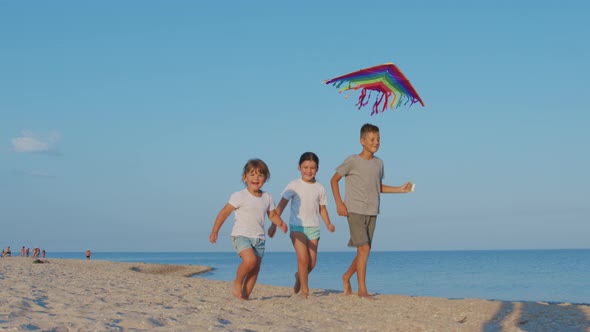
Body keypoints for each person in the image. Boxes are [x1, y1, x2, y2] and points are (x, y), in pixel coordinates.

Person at [330, 123, 412, 299]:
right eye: (372, 139)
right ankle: (362, 290)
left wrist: (399, 189)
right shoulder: (352, 161)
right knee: (365, 249)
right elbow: (334, 180)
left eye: (378, 139)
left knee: (363, 251)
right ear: (362, 141)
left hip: (373, 211)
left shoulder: (379, 163)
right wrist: (339, 203)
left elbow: (378, 186)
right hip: (354, 210)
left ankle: (346, 276)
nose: (376, 142)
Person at [210, 158, 288, 300]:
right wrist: (215, 231)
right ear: (244, 177)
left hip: (259, 238)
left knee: (255, 268)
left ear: (265, 178)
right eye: (252, 174)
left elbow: (272, 214)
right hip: (241, 235)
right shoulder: (239, 196)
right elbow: (224, 212)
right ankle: (237, 282)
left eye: (260, 174)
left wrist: (280, 223)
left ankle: (244, 297)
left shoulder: (267, 197)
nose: (256, 178)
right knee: (250, 261)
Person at [268, 152, 335, 298]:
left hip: (314, 227)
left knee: (311, 263)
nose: (308, 170)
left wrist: (328, 223)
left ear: (317, 169)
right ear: (299, 167)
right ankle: (305, 291)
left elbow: (322, 209)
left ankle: (299, 276)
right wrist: (274, 224)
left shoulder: (320, 188)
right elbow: (281, 205)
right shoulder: (294, 185)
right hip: (297, 227)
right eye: (305, 167)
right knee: (303, 259)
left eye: (312, 167)